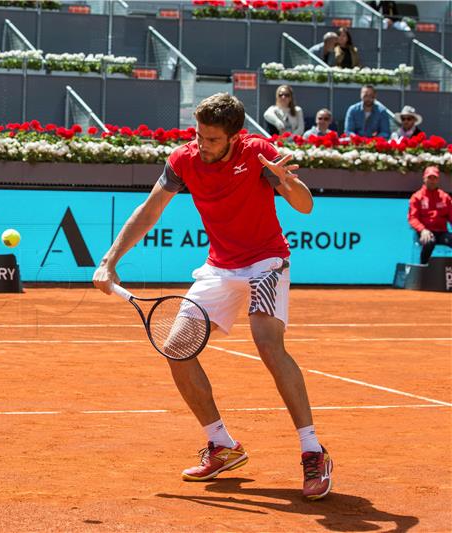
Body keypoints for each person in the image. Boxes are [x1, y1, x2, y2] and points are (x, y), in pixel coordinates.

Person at [92, 93, 333, 500]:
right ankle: (221, 444)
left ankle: (313, 451)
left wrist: (286, 181)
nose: (201, 144)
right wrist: (110, 260)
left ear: (235, 138)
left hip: (265, 262)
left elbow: (306, 208)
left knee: (268, 345)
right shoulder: (184, 159)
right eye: (199, 135)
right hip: (220, 267)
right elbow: (151, 210)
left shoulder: (258, 153)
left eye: (212, 139)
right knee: (176, 348)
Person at [408, 165, 452, 264]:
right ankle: (423, 269)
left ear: (438, 180)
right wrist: (423, 230)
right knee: (429, 242)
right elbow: (413, 218)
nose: (432, 181)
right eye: (429, 178)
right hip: (425, 232)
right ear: (424, 179)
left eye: (434, 178)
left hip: (441, 232)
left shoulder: (445, 197)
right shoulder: (417, 197)